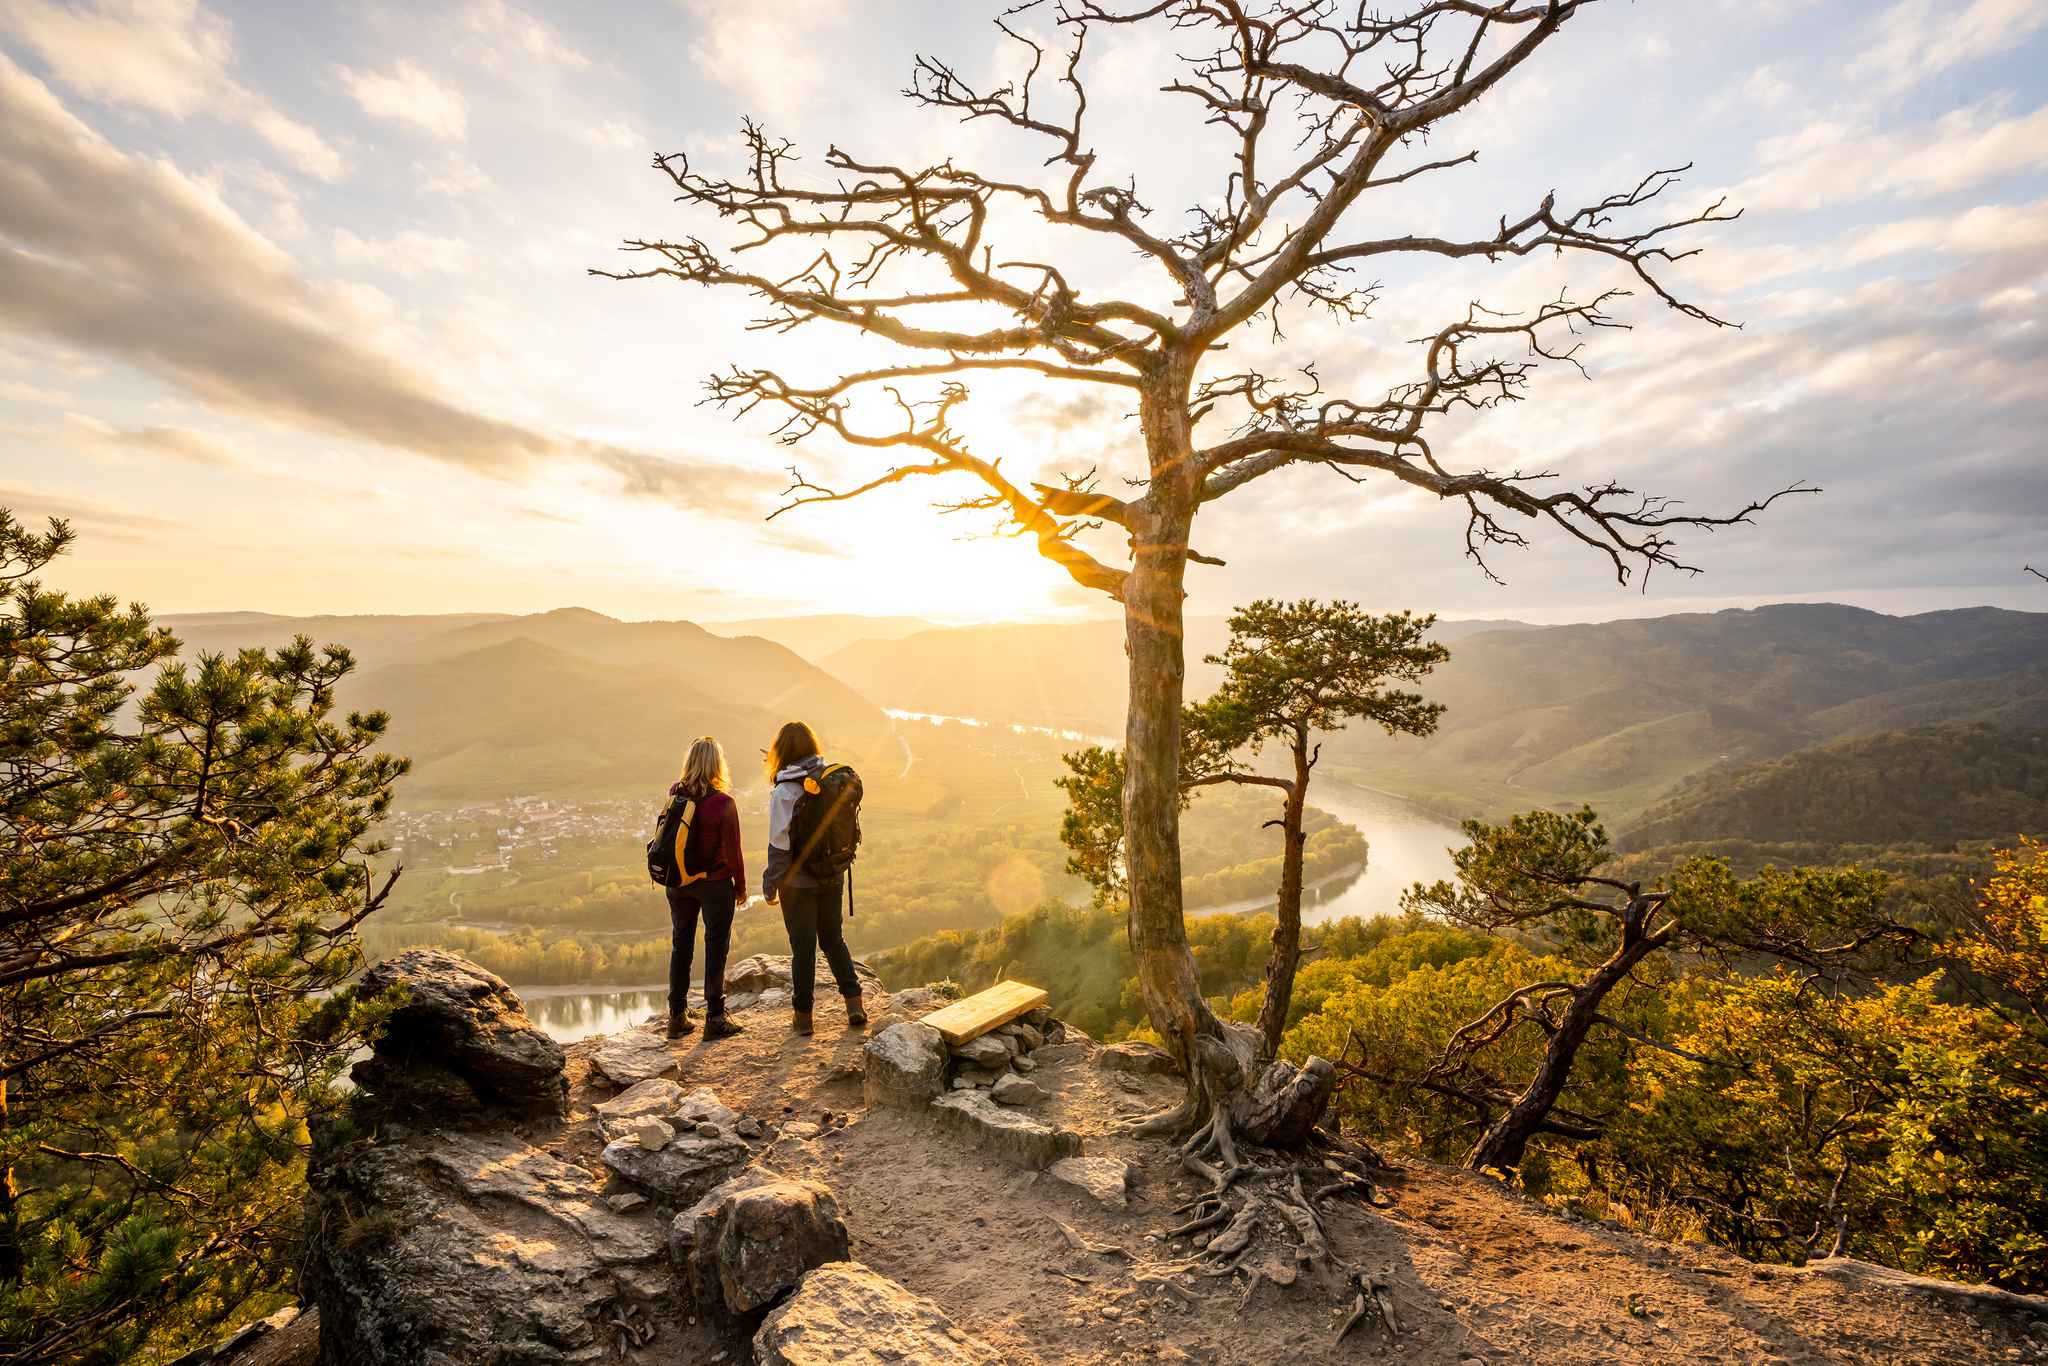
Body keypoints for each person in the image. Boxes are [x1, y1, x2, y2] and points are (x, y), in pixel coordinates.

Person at [762, 720, 866, 1035]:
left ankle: (804, 1018)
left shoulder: (785, 790)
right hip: (833, 874)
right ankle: (855, 1005)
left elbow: (779, 846)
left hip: (798, 883)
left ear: (781, 752)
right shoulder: (828, 779)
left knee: (803, 949)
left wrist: (770, 884)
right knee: (834, 939)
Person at [666, 737, 747, 1041]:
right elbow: (734, 852)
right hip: (714, 884)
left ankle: (676, 1018)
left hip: (679, 882)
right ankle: (714, 1017)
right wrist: (740, 887)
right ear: (717, 764)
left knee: (681, 946)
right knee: (716, 947)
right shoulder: (723, 803)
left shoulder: (675, 793)